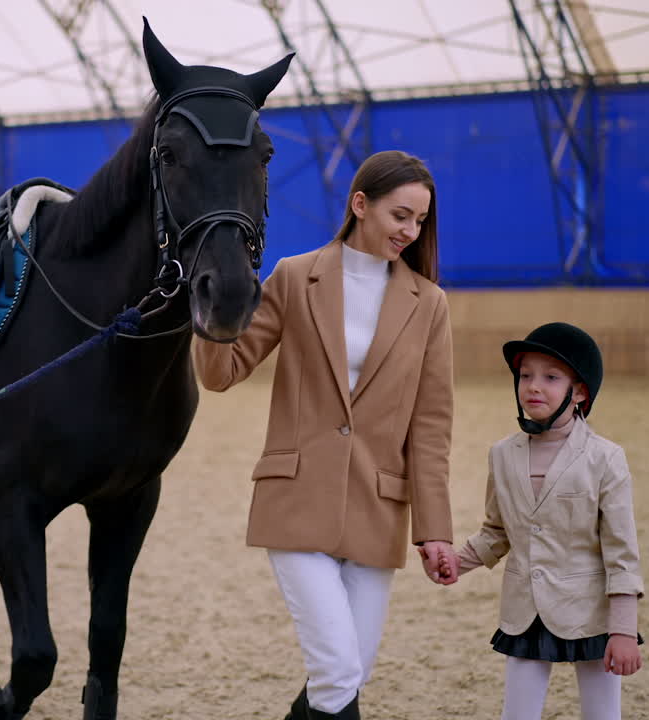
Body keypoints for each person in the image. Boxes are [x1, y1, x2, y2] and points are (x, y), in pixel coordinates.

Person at [193, 150, 457, 720]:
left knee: (344, 676)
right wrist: (211, 314)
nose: (410, 232)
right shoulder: (294, 276)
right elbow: (223, 373)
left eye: (419, 222)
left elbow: (431, 428)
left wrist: (434, 530)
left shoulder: (430, 305)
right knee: (338, 673)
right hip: (295, 499)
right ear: (360, 205)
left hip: (378, 507)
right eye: (400, 216)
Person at [433, 322, 644, 720]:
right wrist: (457, 563)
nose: (533, 386)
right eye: (525, 375)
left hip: (592, 614)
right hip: (523, 613)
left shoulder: (606, 458)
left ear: (579, 392)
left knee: (602, 715)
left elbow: (622, 554)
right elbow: (497, 531)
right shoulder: (502, 454)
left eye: (550, 377)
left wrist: (624, 630)